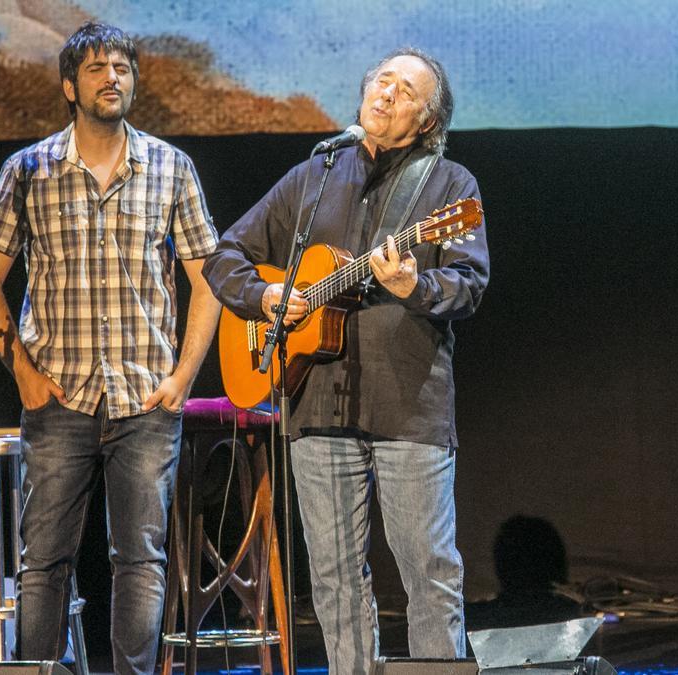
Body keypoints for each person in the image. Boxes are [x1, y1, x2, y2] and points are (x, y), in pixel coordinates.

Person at [203, 47, 488, 674]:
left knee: (429, 573)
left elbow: (469, 283)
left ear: (428, 121)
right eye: (380, 81)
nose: (386, 94)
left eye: (406, 91)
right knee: (334, 579)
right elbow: (225, 256)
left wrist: (416, 285)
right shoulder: (316, 173)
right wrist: (266, 297)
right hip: (314, 405)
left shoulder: (451, 188)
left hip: (409, 406)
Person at [0, 22, 220, 674]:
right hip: (59, 393)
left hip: (145, 395)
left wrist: (184, 375)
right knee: (44, 558)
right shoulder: (28, 171)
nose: (113, 77)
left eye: (123, 68)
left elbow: (208, 282)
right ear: (68, 87)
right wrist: (20, 369)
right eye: (98, 68)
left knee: (139, 558)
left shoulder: (169, 167)